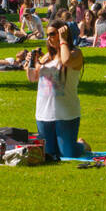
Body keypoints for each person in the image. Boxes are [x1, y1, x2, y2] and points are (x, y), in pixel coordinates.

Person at [26, 24, 84, 159]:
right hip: (44, 114)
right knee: (49, 155)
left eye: (52, 34)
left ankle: (81, 144)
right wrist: (30, 62)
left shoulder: (76, 54)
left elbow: (66, 60)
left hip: (66, 114)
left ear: (62, 33)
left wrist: (63, 41)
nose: (49, 38)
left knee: (68, 155)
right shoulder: (47, 57)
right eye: (47, 35)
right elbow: (32, 78)